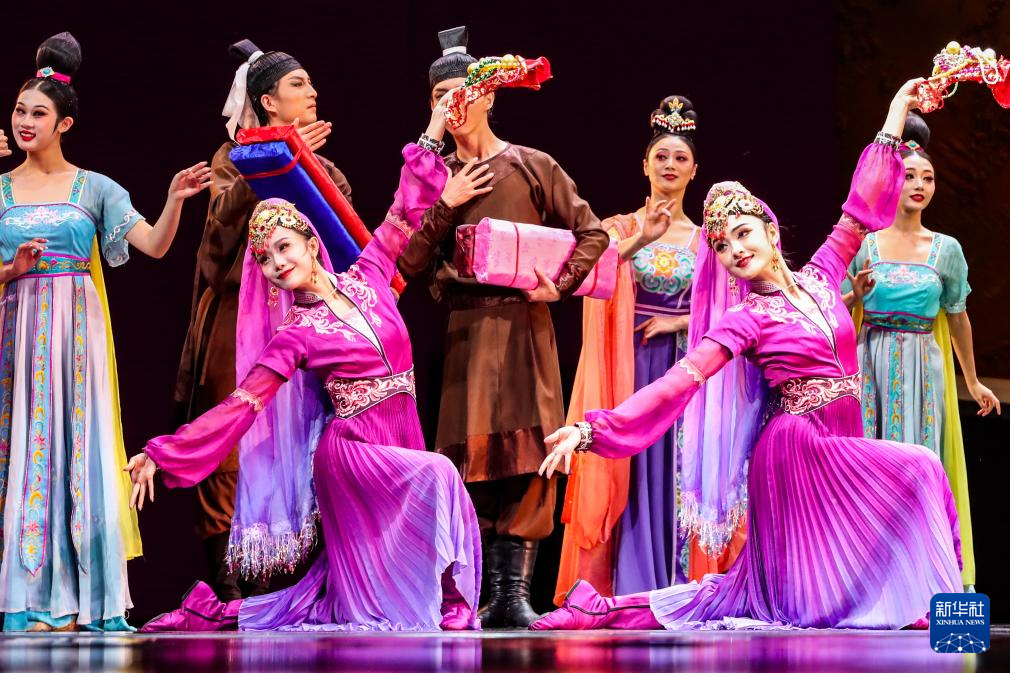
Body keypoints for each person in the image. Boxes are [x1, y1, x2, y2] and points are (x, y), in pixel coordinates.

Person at [531, 79, 963, 631]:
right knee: (919, 469)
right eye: (721, 246)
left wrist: (897, 111)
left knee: (795, 589)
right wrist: (592, 430)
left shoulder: (823, 275)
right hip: (799, 451)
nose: (735, 250)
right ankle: (949, 618)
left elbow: (859, 208)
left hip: (844, 437)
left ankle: (932, 611)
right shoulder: (746, 318)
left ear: (770, 231)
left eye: (742, 234)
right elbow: (679, 383)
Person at [128, 96, 482, 632]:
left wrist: (434, 124)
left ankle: (437, 602)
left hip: (400, 435)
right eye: (265, 258)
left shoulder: (369, 275)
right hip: (353, 454)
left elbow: (404, 209)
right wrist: (165, 454)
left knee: (386, 596)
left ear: (311, 243)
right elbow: (241, 406)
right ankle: (456, 601)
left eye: (283, 247)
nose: (276, 264)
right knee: (440, 473)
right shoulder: (295, 334)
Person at [397, 26, 610, 628]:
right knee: (470, 462)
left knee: (528, 455)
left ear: (488, 95)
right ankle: (484, 593)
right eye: (438, 97)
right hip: (466, 334)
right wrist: (446, 201)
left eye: (461, 93)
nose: (451, 106)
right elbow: (407, 261)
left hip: (523, 329)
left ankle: (515, 593)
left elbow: (592, 232)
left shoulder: (531, 165)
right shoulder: (434, 178)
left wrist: (559, 284)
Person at [0, 32, 210, 631]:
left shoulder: (94, 187)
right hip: (17, 333)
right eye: (19, 111)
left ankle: (86, 601)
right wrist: (11, 270)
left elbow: (153, 245)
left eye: (39, 113)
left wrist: (173, 200)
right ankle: (31, 599)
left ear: (64, 123)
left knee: (80, 448)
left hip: (77, 335)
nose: (25, 122)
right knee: (28, 449)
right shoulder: (2, 189)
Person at [174, 38, 352, 601]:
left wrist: (305, 166)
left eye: (311, 83)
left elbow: (343, 250)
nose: (313, 92)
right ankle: (233, 591)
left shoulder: (326, 169)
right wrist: (273, 158)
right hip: (237, 325)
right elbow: (219, 243)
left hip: (304, 327)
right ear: (268, 102)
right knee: (235, 444)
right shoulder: (233, 161)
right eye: (299, 84)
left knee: (303, 449)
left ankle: (294, 587)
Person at [557, 96, 743, 604]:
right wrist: (644, 238)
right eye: (661, 156)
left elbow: (733, 309)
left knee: (680, 470)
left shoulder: (710, 241)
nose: (670, 165)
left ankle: (682, 586)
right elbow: (590, 276)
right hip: (629, 367)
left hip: (684, 370)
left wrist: (681, 321)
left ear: (695, 171)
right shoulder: (618, 228)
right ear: (644, 165)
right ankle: (627, 587)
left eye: (681, 158)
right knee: (630, 468)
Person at [843, 113, 999, 592]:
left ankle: (921, 580)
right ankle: (867, 582)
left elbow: (958, 317)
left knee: (922, 461)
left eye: (927, 178)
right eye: (909, 176)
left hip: (923, 370)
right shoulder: (864, 243)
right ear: (892, 181)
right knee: (871, 466)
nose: (919, 185)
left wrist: (972, 380)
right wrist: (853, 296)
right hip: (870, 361)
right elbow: (832, 307)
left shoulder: (946, 249)